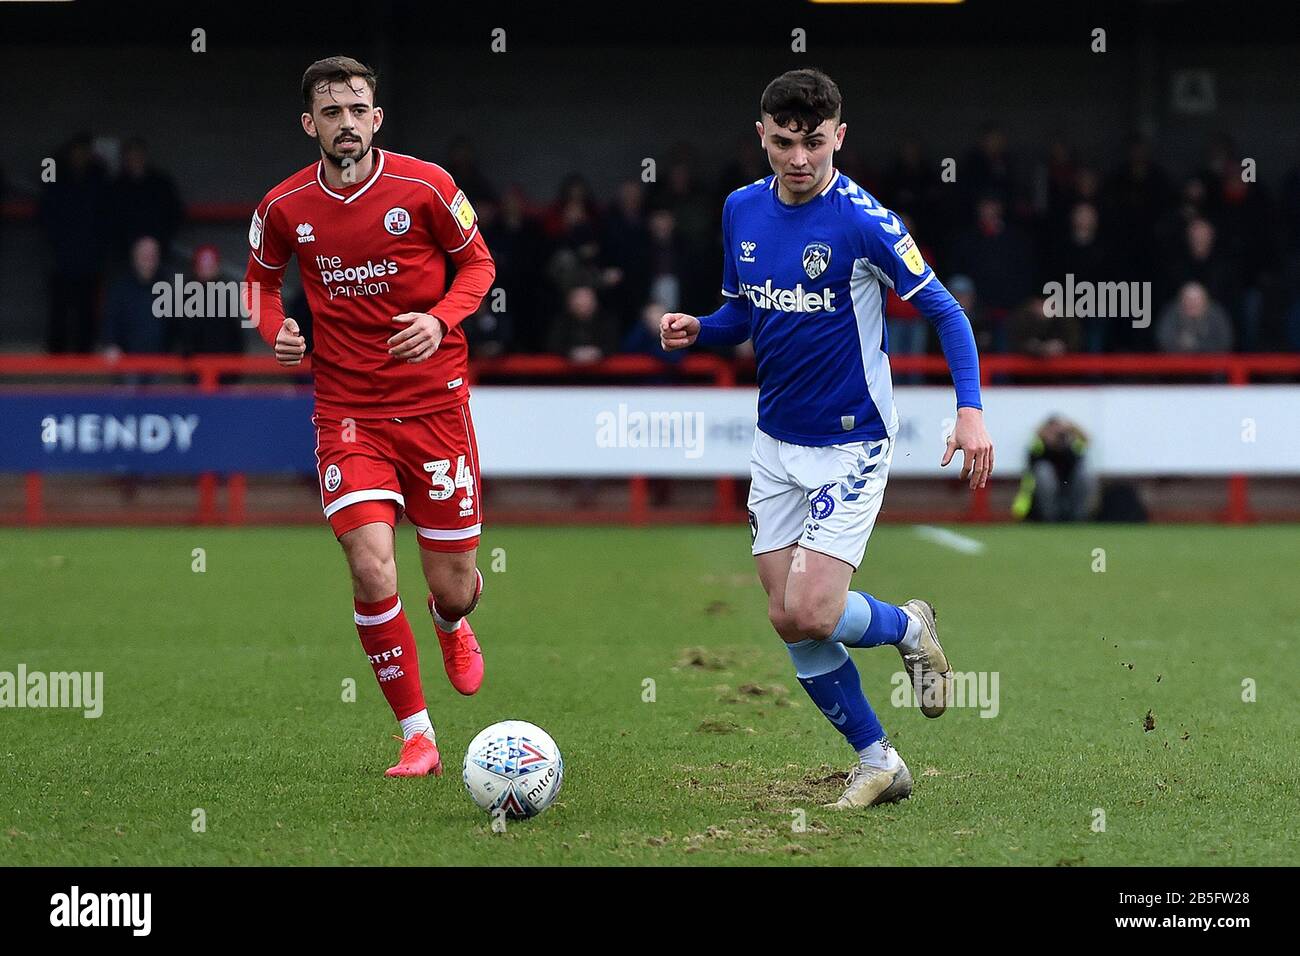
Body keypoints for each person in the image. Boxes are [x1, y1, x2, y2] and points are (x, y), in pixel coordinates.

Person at [661, 69, 993, 809]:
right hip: (775, 441)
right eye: (784, 142)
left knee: (811, 609)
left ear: (839, 136)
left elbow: (947, 311)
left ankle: (908, 627)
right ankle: (879, 760)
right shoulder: (740, 209)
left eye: (814, 142)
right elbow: (743, 315)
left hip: (854, 442)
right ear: (762, 137)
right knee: (787, 617)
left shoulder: (863, 221)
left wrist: (970, 410)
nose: (799, 158)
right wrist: (700, 330)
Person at [244, 56, 496, 778]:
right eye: (331, 112)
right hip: (348, 413)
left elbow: (478, 265)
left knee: (450, 581)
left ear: (376, 117)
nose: (346, 123)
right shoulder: (283, 207)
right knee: (369, 563)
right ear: (309, 123)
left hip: (436, 407)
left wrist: (441, 320)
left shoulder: (427, 186)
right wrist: (276, 331)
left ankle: (452, 619)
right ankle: (417, 735)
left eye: (358, 109)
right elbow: (259, 285)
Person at [1011, 416, 1097, 522]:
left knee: (1085, 473)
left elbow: (1087, 441)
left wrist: (1072, 432)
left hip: (1071, 488)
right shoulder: (1039, 448)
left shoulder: (1073, 447)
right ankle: (1049, 518)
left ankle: (1078, 517)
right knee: (1043, 471)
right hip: (1043, 495)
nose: (1058, 436)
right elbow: (1032, 470)